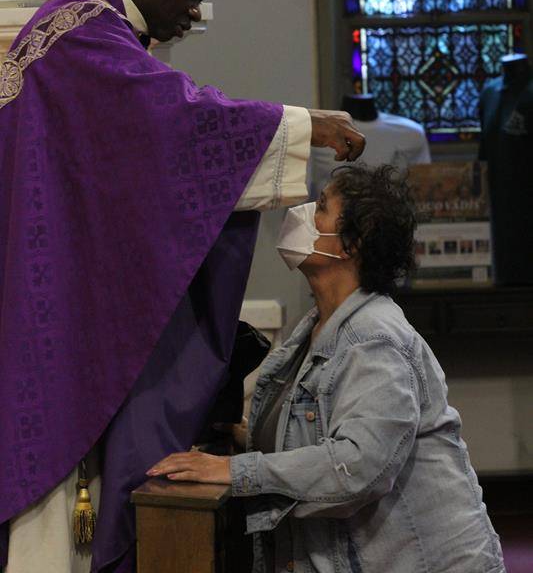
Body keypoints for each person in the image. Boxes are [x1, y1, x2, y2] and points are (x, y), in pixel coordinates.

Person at [0, 0, 365, 573]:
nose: (195, 14)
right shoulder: (84, 33)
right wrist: (301, 124)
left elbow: (140, 150)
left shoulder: (73, 28)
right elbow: (173, 127)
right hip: (54, 327)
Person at [150, 165, 506, 573]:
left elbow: (358, 467)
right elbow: (322, 428)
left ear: (352, 242)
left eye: (320, 207)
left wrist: (235, 471)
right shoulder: (319, 325)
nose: (303, 214)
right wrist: (245, 436)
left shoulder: (374, 338)